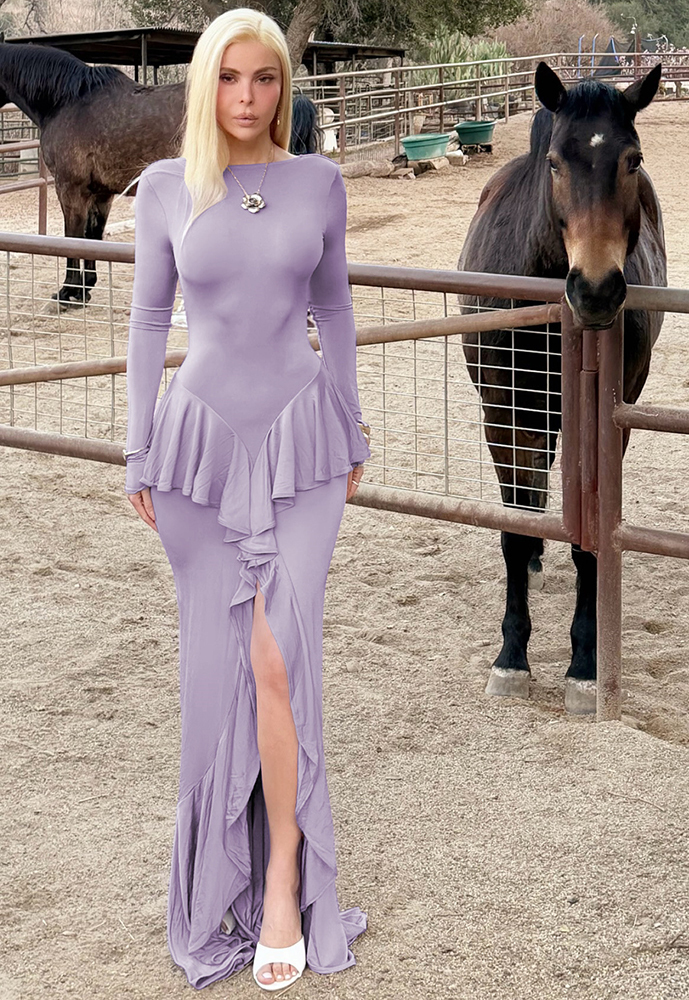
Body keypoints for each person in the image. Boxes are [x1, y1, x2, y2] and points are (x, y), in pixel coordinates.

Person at [122, 7, 371, 992]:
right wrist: (138, 448)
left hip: (305, 447)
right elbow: (148, 319)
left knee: (279, 653)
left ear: (284, 86)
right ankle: (219, 877)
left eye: (265, 78)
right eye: (229, 78)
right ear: (204, 85)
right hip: (198, 455)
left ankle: (282, 886)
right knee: (219, 671)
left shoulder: (320, 182)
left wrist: (352, 424)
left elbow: (335, 307)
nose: (247, 97)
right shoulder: (164, 188)